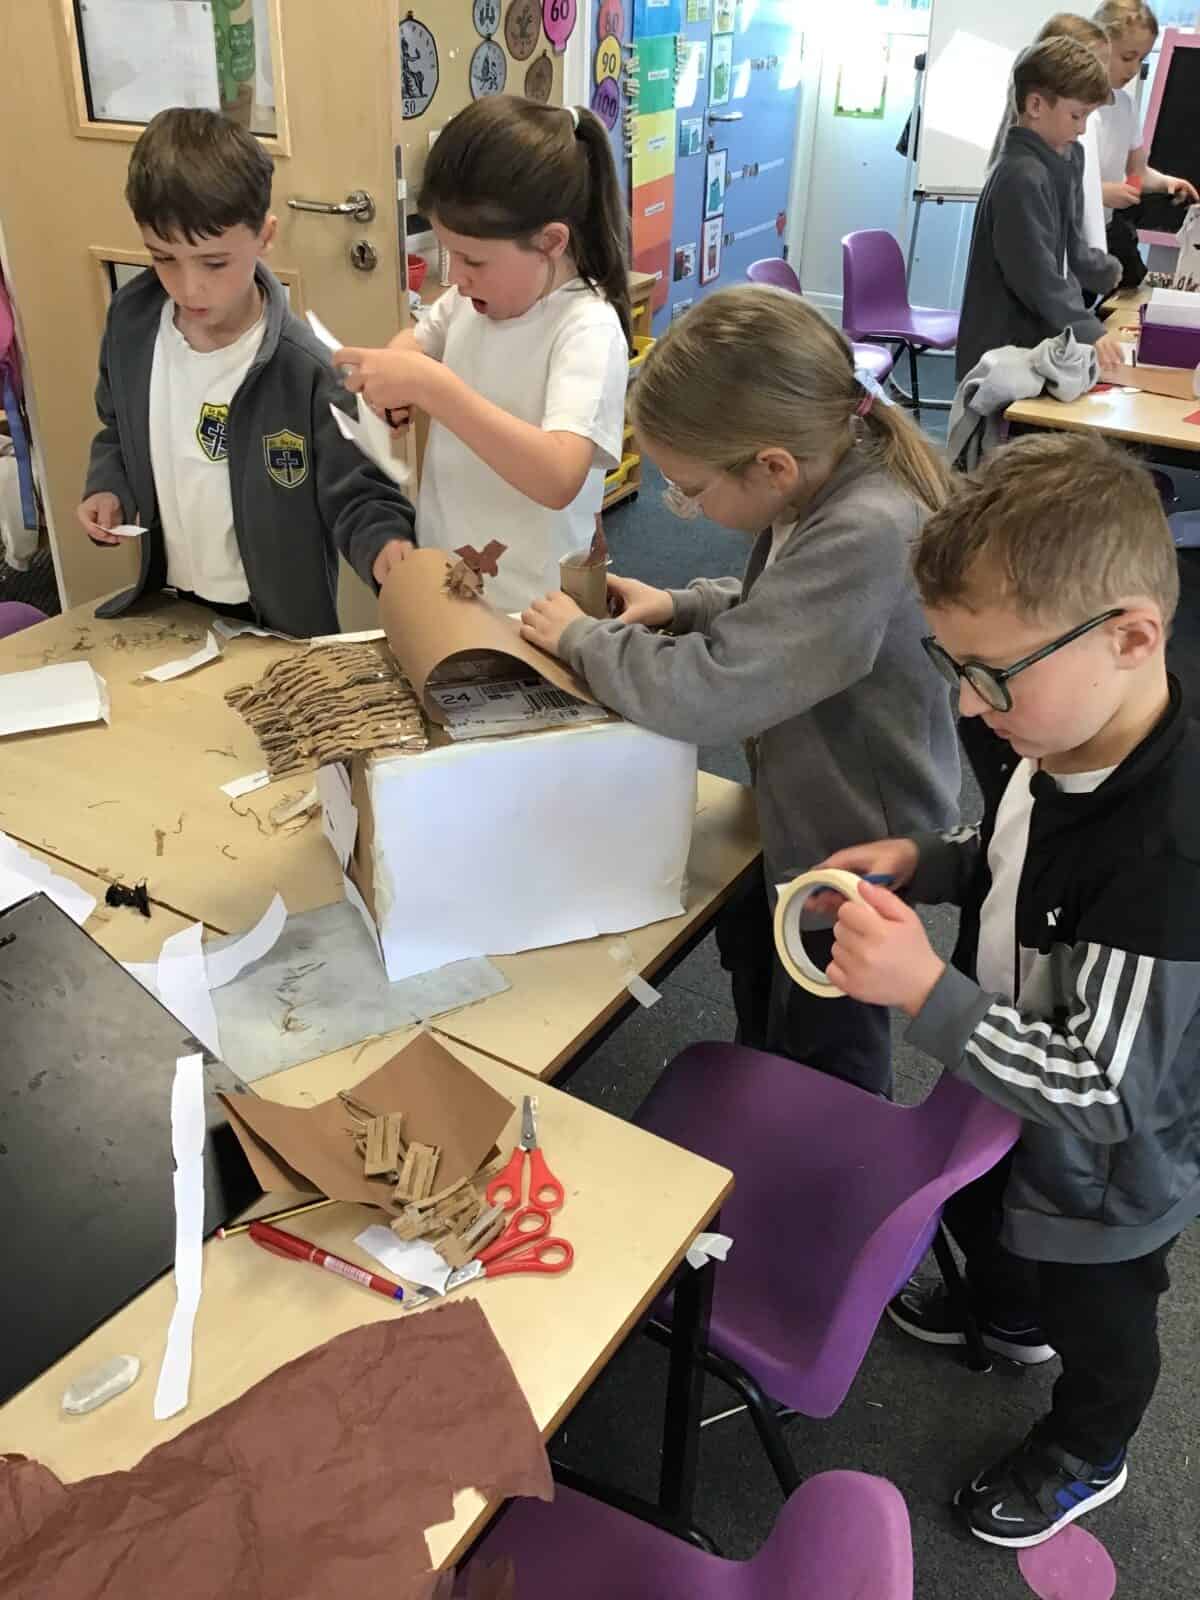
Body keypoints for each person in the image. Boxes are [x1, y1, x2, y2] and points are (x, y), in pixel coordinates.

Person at [816, 432, 1200, 1547]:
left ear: (1132, 637)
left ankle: (1088, 1447)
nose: (968, 706)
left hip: (1105, 1172)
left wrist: (924, 992)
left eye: (991, 674)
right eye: (953, 666)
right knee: (988, 1212)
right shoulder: (1055, 731)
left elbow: (1103, 1091)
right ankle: (1005, 1310)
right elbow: (1013, 853)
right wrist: (932, 863)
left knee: (1101, 1313)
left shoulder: (1167, 854)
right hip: (1008, 1079)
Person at [519, 286, 961, 1097]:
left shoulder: (867, 527)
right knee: (767, 984)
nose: (686, 505)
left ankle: (829, 1148)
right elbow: (785, 610)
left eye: (690, 490)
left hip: (852, 840)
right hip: (809, 802)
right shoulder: (832, 473)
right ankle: (769, 1098)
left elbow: (715, 690)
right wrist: (682, 605)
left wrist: (583, 639)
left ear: (771, 466)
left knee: (830, 1035)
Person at [77, 108, 415, 639]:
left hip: (275, 624)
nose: (189, 287)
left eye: (214, 263)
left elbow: (359, 492)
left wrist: (386, 548)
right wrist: (108, 485)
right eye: (163, 258)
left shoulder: (305, 366)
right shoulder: (131, 322)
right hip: (171, 603)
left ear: (265, 236)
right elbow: (117, 427)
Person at [335, 96, 630, 614]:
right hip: (451, 575)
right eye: (449, 254)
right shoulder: (470, 301)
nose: (456, 276)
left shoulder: (586, 329)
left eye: (473, 260)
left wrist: (431, 387)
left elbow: (558, 477)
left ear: (551, 241)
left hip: (537, 607)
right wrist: (399, 380)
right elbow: (416, 341)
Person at [957, 35, 1126, 381]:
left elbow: (1071, 246)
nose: (1082, 129)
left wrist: (1106, 273)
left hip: (1035, 345)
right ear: (1036, 106)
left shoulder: (1061, 161)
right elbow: (1036, 274)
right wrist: (1087, 329)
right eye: (1076, 115)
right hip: (1001, 354)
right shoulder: (1021, 177)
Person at [987, 13, 1119, 307]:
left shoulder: (1070, 141)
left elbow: (1072, 232)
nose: (1102, 78)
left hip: (1068, 282)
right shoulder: (1024, 171)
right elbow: (1036, 276)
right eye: (1093, 65)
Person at [1093, 0, 1199, 288]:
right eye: (1127, 57)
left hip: (1100, 237)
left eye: (1141, 59)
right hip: (1066, 236)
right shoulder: (1075, 107)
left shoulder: (1126, 105)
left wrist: (1165, 183)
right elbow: (1056, 179)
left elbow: (1136, 171)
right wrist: (1102, 192)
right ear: (1100, 44)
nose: (1133, 68)